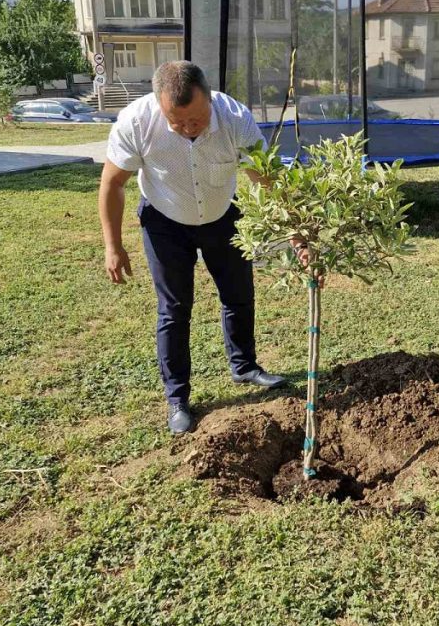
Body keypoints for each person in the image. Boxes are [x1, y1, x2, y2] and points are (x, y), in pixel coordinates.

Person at [99, 60, 310, 435]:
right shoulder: (136, 121)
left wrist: (295, 233)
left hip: (221, 215)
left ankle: (244, 366)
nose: (187, 129)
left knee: (239, 295)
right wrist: (112, 245)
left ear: (209, 99)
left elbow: (266, 178)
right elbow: (113, 183)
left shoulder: (235, 118)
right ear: (159, 104)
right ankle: (177, 397)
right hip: (165, 220)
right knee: (174, 309)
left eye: (195, 119)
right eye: (176, 122)